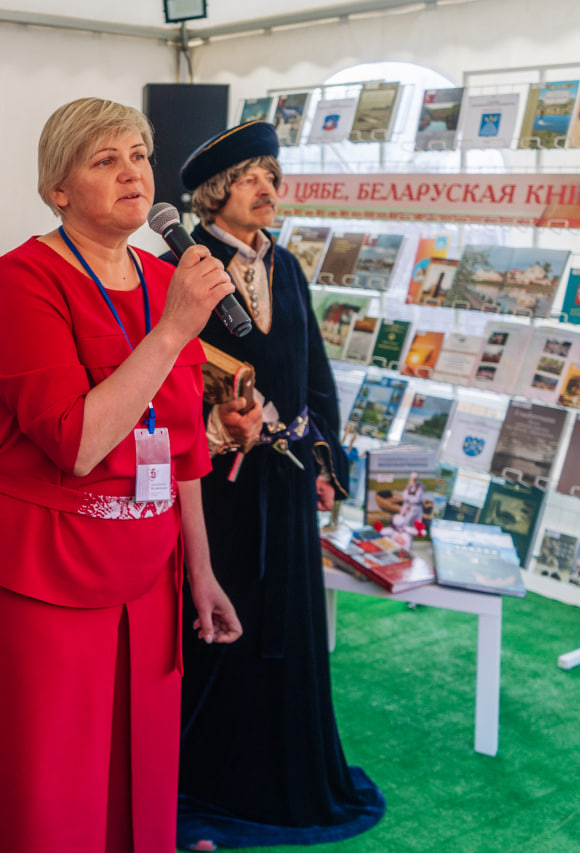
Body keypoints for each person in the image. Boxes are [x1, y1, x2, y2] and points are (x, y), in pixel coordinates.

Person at [0, 97, 243, 851]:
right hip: (41, 569)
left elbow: (181, 447)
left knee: (140, 771)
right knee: (48, 787)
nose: (131, 173)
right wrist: (175, 327)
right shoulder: (22, 280)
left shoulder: (163, 275)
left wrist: (201, 570)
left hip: (148, 568)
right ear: (58, 188)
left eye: (139, 156)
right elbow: (74, 442)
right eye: (105, 160)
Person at [169, 121, 386, 850]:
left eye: (271, 175)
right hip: (213, 485)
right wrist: (218, 424)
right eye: (249, 177)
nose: (267, 187)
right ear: (214, 192)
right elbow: (162, 378)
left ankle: (284, 770)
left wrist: (325, 462)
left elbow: (313, 373)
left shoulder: (287, 265)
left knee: (286, 625)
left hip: (287, 483)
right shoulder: (180, 267)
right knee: (219, 623)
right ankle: (210, 776)